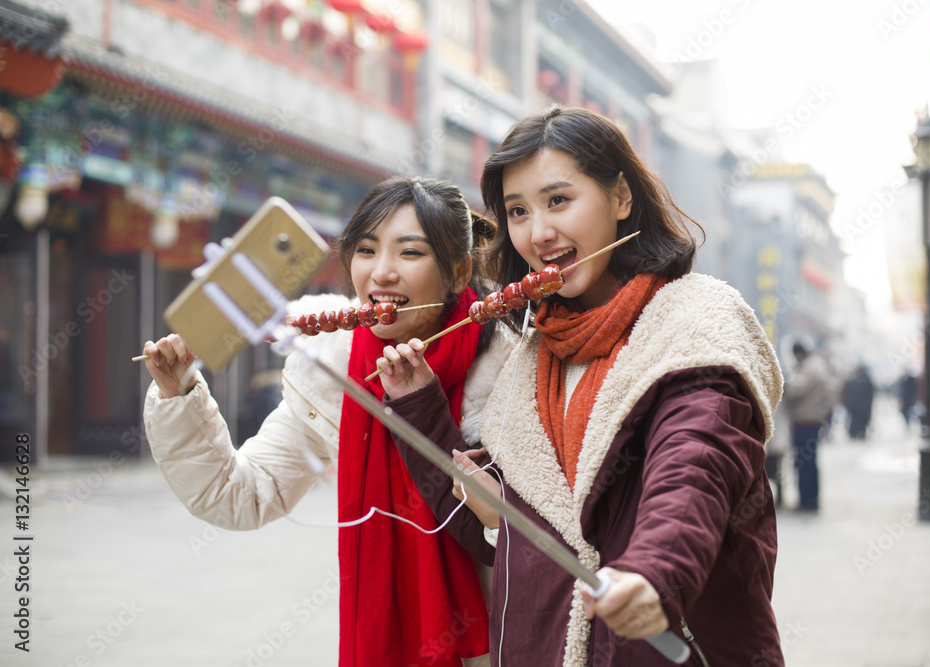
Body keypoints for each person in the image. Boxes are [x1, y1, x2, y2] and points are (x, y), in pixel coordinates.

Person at [376, 106, 785, 666]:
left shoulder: (694, 325)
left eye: (559, 200)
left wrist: (653, 573)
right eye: (518, 211)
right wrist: (419, 406)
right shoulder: (532, 357)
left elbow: (696, 466)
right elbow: (496, 534)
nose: (539, 232)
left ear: (621, 198)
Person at [142, 177, 511, 667]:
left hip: (500, 644)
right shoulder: (330, 366)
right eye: (365, 249)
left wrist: (422, 407)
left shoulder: (510, 370)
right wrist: (179, 393)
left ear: (458, 271)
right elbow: (240, 495)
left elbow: (511, 535)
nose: (381, 273)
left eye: (410, 253)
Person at [783, 341, 836, 510]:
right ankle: (811, 499)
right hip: (813, 420)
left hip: (805, 421)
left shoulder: (809, 368)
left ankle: (807, 501)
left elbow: (794, 391)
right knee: (809, 461)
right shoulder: (819, 366)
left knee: (804, 462)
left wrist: (782, 382)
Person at [842, 365, 875, 440]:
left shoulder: (852, 382)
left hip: (856, 406)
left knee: (855, 420)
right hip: (863, 406)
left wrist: (848, 404)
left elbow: (848, 395)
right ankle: (860, 433)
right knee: (862, 421)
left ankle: (854, 433)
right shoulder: (866, 382)